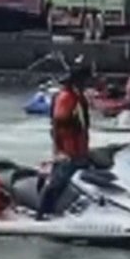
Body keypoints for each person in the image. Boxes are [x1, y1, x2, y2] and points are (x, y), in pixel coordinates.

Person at [38, 62, 93, 220]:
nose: (88, 83)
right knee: (57, 184)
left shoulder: (77, 96)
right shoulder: (66, 97)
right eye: (85, 80)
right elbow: (60, 121)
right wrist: (60, 152)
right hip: (67, 151)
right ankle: (41, 215)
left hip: (79, 149)